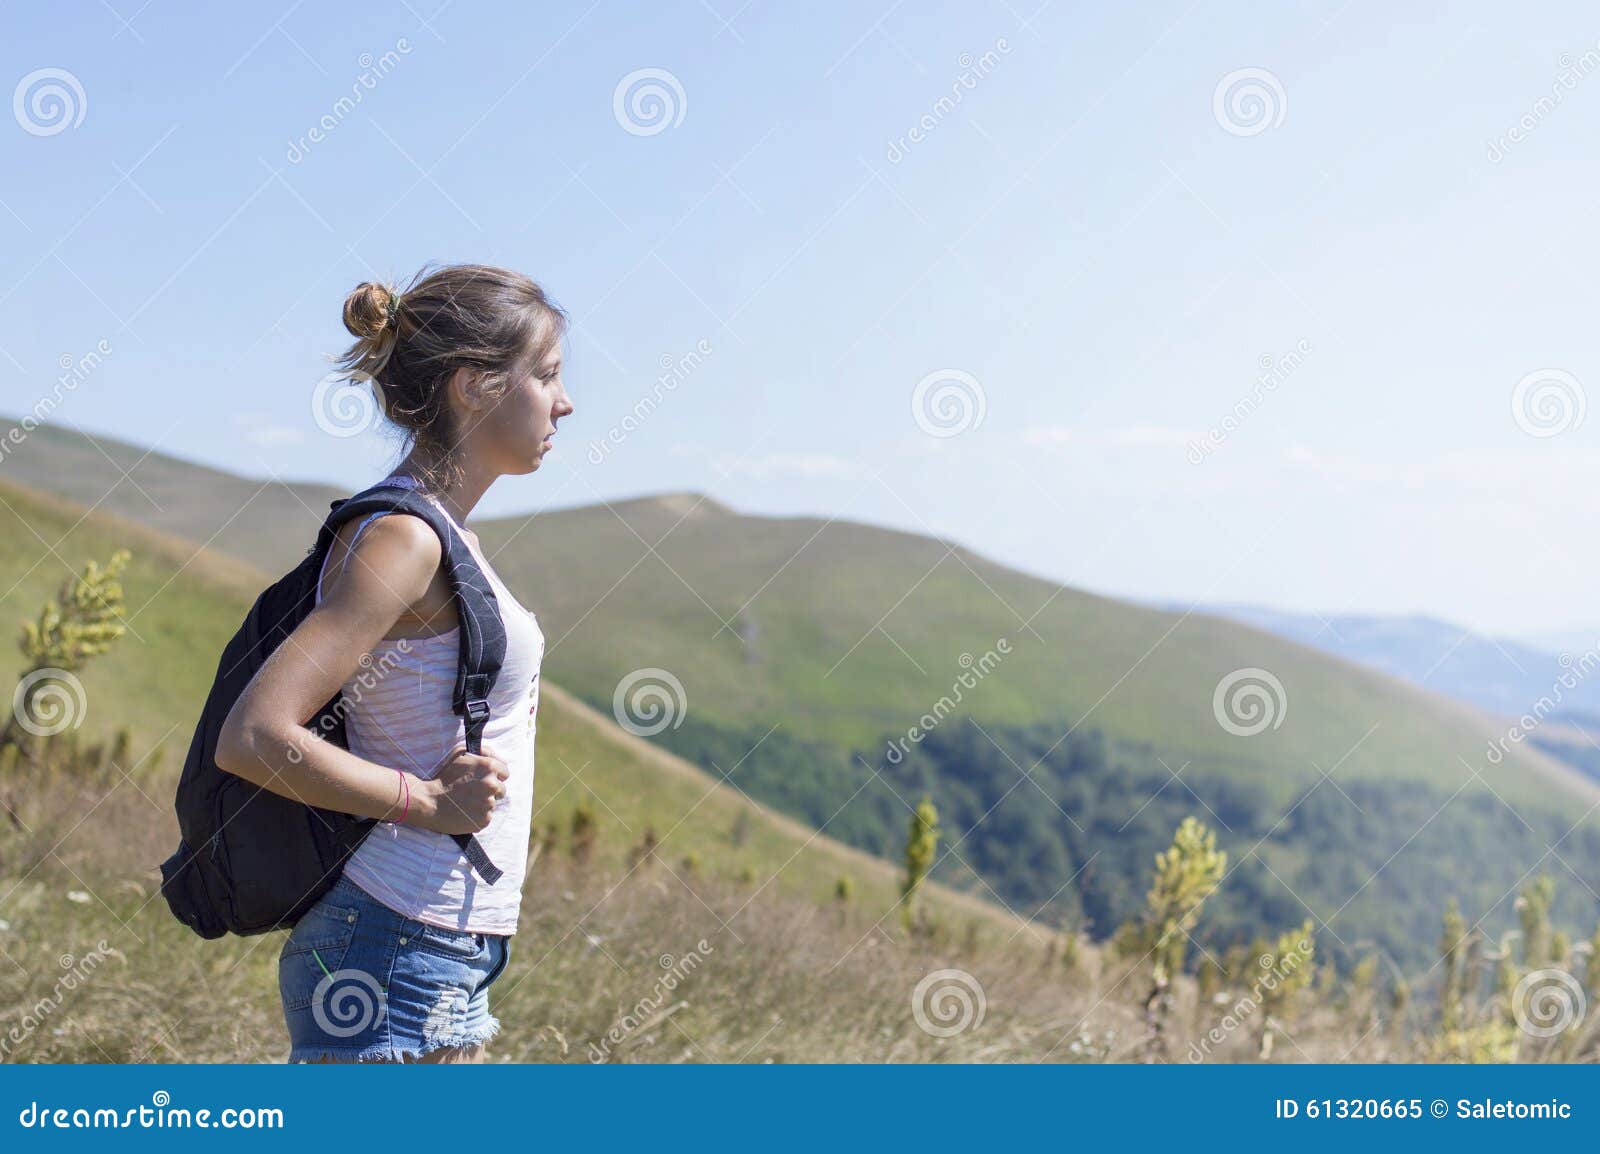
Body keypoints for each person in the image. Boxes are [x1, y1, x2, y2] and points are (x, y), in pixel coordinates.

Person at [216, 263, 574, 1062]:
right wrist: (427, 799)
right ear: (473, 386)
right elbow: (255, 736)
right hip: (391, 946)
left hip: (437, 948)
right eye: (546, 376)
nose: (564, 401)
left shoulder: (445, 538)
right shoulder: (402, 540)